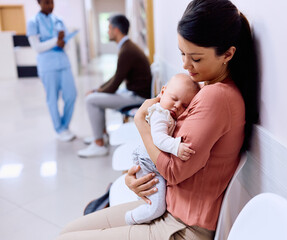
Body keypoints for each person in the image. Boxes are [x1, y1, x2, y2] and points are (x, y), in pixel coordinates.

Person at [56, 0, 258, 239]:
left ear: (228, 54)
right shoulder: (206, 88)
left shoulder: (216, 97)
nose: (185, 64)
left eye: (196, 58)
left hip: (182, 226)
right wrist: (138, 177)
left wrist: (141, 123)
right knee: (68, 231)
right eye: (182, 53)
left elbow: (173, 171)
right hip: (164, 207)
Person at [125, 73, 200, 225]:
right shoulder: (160, 113)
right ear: (163, 92)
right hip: (149, 163)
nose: (177, 106)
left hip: (149, 161)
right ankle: (131, 218)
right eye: (174, 99)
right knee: (156, 208)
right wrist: (176, 147)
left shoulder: (167, 113)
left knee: (148, 197)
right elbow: (158, 139)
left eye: (185, 105)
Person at [77, 14, 152, 158]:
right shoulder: (127, 47)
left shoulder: (127, 50)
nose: (108, 31)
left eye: (109, 28)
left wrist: (96, 92)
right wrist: (97, 90)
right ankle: (100, 135)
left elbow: (114, 85)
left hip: (138, 98)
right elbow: (115, 77)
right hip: (135, 93)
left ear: (116, 30)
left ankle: (99, 144)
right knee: (95, 97)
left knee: (91, 100)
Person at [27, 0, 77, 142]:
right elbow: (37, 47)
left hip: (63, 63)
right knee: (52, 99)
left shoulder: (59, 20)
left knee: (71, 95)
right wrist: (56, 40)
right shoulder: (33, 22)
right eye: (46, 2)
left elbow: (66, 45)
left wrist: (63, 43)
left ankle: (65, 126)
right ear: (39, 2)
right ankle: (59, 129)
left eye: (52, 2)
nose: (50, 5)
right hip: (47, 66)